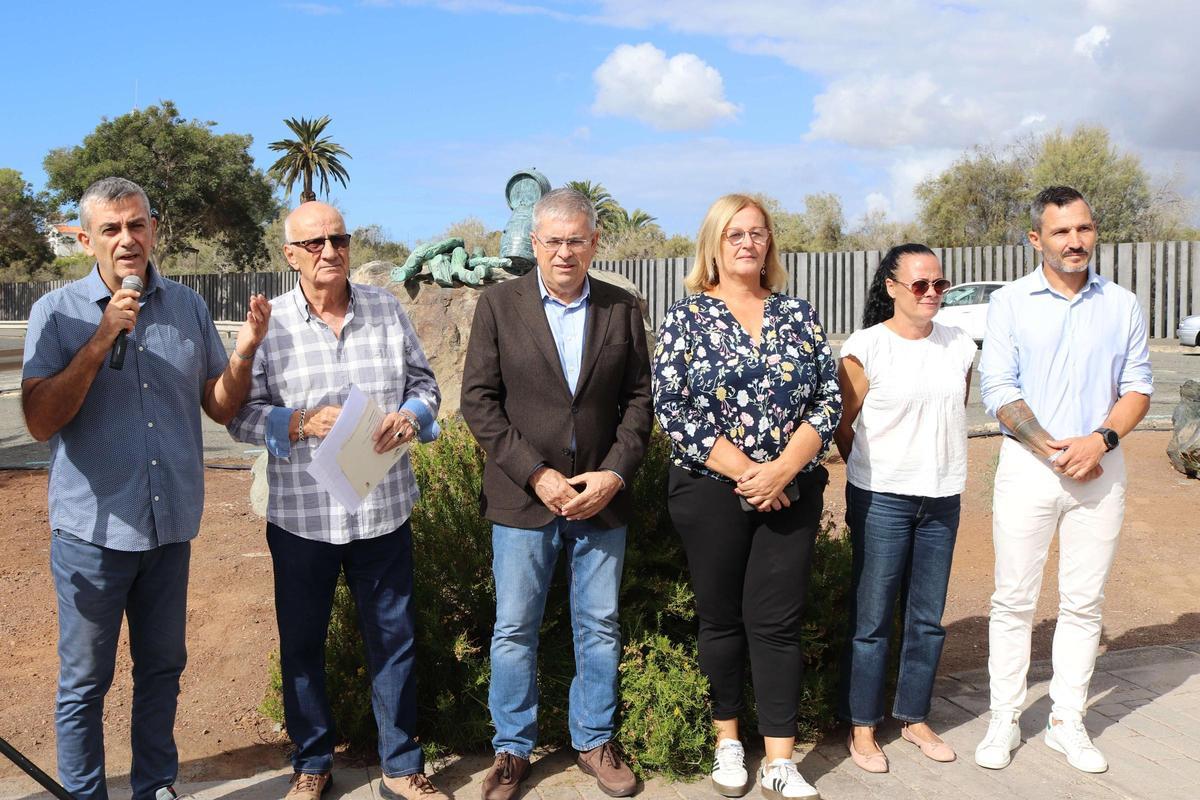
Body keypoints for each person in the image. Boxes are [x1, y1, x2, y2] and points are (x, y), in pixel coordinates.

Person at [21, 176, 270, 800]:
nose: (127, 239)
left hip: (169, 527)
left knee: (162, 669)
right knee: (85, 681)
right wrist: (102, 336)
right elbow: (39, 419)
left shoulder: (186, 307)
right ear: (86, 241)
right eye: (111, 229)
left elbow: (218, 405)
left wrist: (242, 357)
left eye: (137, 224)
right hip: (92, 534)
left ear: (153, 228)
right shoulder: (57, 312)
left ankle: (155, 786)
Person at [226, 201, 445, 800]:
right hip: (302, 520)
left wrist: (412, 417)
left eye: (339, 239)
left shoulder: (385, 308)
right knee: (302, 645)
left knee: (394, 643)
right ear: (290, 255)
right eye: (315, 243)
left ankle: (401, 767)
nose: (330, 251)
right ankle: (312, 762)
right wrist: (296, 424)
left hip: (383, 512)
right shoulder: (270, 326)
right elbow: (236, 417)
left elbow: (426, 386)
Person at [460, 187, 653, 800]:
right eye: (553, 240)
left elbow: (640, 402)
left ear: (594, 244)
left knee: (598, 624)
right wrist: (536, 474)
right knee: (514, 627)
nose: (565, 252)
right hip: (524, 500)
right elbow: (479, 402)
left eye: (576, 240)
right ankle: (512, 750)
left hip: (601, 498)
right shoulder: (497, 305)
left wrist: (615, 474)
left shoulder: (621, 308)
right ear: (533, 243)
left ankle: (594, 739)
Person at [652, 194, 840, 800]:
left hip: (791, 491)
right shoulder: (685, 318)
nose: (747, 243)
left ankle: (781, 759)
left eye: (758, 233)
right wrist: (748, 473)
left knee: (778, 622)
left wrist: (782, 470)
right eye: (734, 233)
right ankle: (728, 742)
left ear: (770, 244)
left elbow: (828, 401)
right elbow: (671, 406)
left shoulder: (798, 315)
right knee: (722, 619)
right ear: (714, 241)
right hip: (709, 491)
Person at [974, 186, 1152, 774]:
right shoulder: (1010, 304)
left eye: (1084, 228)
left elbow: (1139, 387)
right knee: (1013, 599)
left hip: (1101, 467)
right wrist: (1055, 449)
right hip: (1030, 468)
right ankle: (1005, 715)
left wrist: (1098, 441)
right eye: (1061, 231)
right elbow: (998, 388)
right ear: (1036, 239)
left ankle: (1065, 719)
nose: (1075, 241)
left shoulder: (1122, 303)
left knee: (1084, 602)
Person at [833, 244, 976, 773]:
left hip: (943, 497)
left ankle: (914, 717)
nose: (932, 293)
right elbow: (844, 424)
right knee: (871, 618)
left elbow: (954, 408)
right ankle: (863, 727)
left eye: (939, 284)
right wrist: (873, 474)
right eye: (920, 284)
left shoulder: (960, 344)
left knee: (927, 618)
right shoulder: (867, 348)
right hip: (882, 499)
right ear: (891, 287)